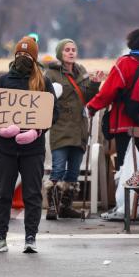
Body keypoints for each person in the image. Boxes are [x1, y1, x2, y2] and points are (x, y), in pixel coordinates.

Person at [0, 36, 58, 254]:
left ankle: (31, 238)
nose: (23, 58)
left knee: (32, 194)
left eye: (27, 55)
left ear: (34, 58)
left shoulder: (43, 82)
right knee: (2, 193)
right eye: (20, 54)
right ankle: (0, 237)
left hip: (32, 149)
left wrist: (37, 131)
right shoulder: (3, 81)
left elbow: (53, 113)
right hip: (5, 149)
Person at [87, 28, 139, 171]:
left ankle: (126, 192)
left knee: (125, 167)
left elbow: (108, 92)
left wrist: (92, 107)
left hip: (125, 124)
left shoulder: (125, 63)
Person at [45, 39, 105, 219]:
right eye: (67, 50)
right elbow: (45, 97)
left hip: (79, 128)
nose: (71, 52)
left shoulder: (82, 72)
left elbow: (87, 97)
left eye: (73, 49)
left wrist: (94, 83)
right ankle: (52, 207)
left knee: (73, 171)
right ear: (60, 53)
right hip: (60, 127)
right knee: (58, 169)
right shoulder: (51, 74)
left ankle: (65, 207)